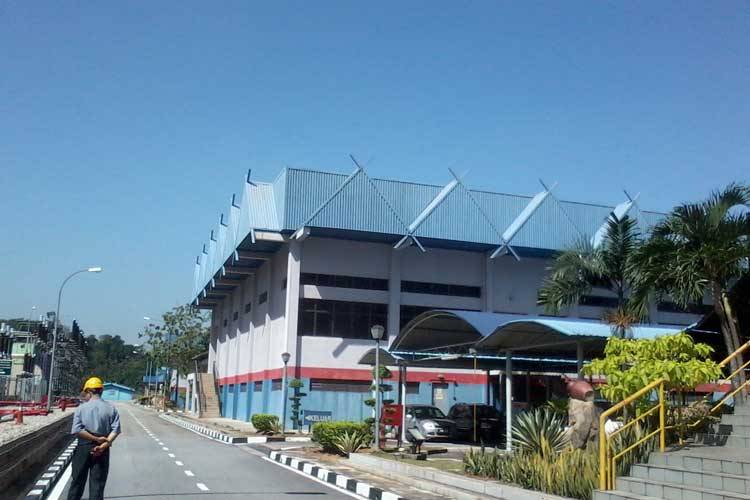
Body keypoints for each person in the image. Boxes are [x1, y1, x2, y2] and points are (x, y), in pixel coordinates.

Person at [68, 377, 121, 500]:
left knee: (77, 483)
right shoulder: (111, 408)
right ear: (101, 391)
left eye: (85, 393)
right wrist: (103, 445)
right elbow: (116, 430)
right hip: (102, 449)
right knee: (97, 485)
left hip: (83, 447)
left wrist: (94, 438)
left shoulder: (81, 408)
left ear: (89, 392)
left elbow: (77, 430)